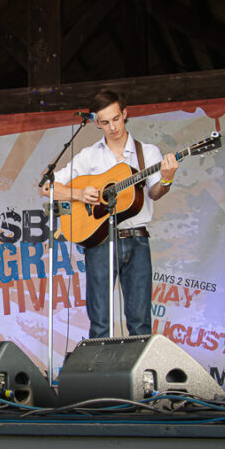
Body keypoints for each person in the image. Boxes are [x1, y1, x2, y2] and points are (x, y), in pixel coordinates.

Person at [42, 89, 178, 339]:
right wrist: (80, 194)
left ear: (125, 114)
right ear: (96, 122)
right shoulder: (89, 156)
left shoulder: (146, 152)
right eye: (105, 122)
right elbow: (48, 187)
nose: (113, 126)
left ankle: (139, 378)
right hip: (100, 240)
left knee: (139, 323)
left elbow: (156, 193)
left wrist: (166, 180)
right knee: (100, 321)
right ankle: (100, 376)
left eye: (116, 118)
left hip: (137, 239)